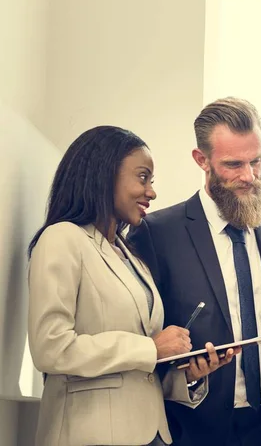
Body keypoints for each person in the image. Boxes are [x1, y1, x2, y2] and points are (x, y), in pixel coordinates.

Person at [28, 126, 238, 446]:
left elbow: (135, 372)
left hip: (150, 435)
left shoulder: (130, 255)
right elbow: (50, 347)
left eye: (151, 181)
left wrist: (188, 375)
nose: (151, 192)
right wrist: (152, 348)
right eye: (142, 178)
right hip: (88, 435)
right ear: (103, 175)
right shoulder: (62, 239)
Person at [128, 97, 261, 446]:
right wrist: (186, 376)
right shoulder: (156, 233)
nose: (249, 176)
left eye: (257, 162)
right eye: (233, 164)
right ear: (201, 160)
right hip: (191, 430)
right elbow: (137, 339)